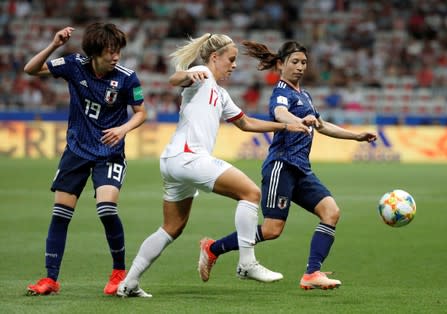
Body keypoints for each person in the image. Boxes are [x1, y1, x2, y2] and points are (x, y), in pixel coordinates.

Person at [116, 33, 311, 298]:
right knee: (251, 193)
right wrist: (187, 76)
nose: (233, 65)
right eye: (230, 60)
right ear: (215, 57)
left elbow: (246, 123)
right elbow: (175, 79)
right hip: (189, 157)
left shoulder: (221, 93)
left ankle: (129, 283)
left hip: (174, 161)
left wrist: (286, 126)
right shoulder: (202, 73)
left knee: (172, 227)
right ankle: (246, 263)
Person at [197, 40, 377, 290]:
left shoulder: (305, 95)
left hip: (302, 169)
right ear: (281, 64)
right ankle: (213, 248)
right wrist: (299, 119)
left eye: (304, 62)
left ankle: (312, 273)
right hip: (281, 167)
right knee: (272, 230)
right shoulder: (281, 91)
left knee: (331, 212)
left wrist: (356, 136)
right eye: (295, 62)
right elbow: (280, 113)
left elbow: (322, 126)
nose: (301, 66)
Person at [24, 23, 147, 296]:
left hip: (109, 153)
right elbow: (30, 69)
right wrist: (54, 44)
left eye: (118, 51)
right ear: (94, 53)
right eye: (109, 52)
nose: (116, 57)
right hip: (77, 151)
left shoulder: (127, 78)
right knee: (60, 215)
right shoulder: (74, 65)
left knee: (106, 209)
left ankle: (118, 273)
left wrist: (123, 129)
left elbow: (141, 112)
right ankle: (50, 279)